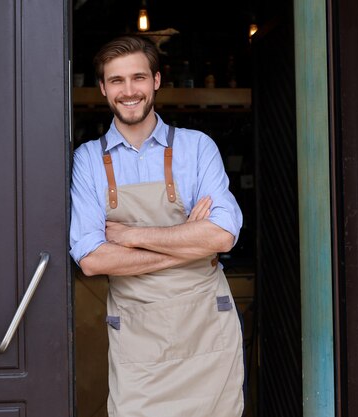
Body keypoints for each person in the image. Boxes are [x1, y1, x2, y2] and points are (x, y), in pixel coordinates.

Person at [70, 35, 244, 417]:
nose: (129, 91)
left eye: (138, 78)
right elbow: (92, 259)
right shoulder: (87, 160)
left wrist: (129, 237)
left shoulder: (197, 147)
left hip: (206, 331)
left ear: (157, 81)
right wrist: (187, 245)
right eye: (117, 81)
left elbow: (222, 234)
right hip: (138, 337)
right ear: (102, 88)